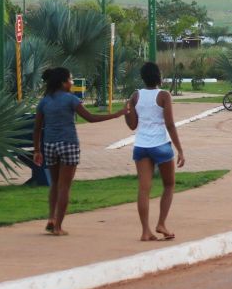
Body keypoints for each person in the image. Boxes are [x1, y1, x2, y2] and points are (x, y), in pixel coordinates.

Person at [33, 67, 128, 236]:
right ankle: (58, 227)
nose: (72, 82)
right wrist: (115, 115)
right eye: (70, 79)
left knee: (55, 184)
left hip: (49, 145)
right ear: (63, 83)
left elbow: (37, 128)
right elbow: (91, 118)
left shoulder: (45, 101)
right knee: (64, 187)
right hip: (68, 144)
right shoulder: (71, 99)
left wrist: (37, 150)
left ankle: (51, 218)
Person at [125, 62, 186, 241]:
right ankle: (161, 224)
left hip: (141, 145)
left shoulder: (135, 96)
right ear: (158, 76)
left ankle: (145, 231)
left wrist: (127, 111)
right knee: (169, 185)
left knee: (144, 189)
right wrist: (180, 149)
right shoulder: (164, 95)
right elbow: (170, 124)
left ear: (143, 77)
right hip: (160, 144)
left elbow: (132, 125)